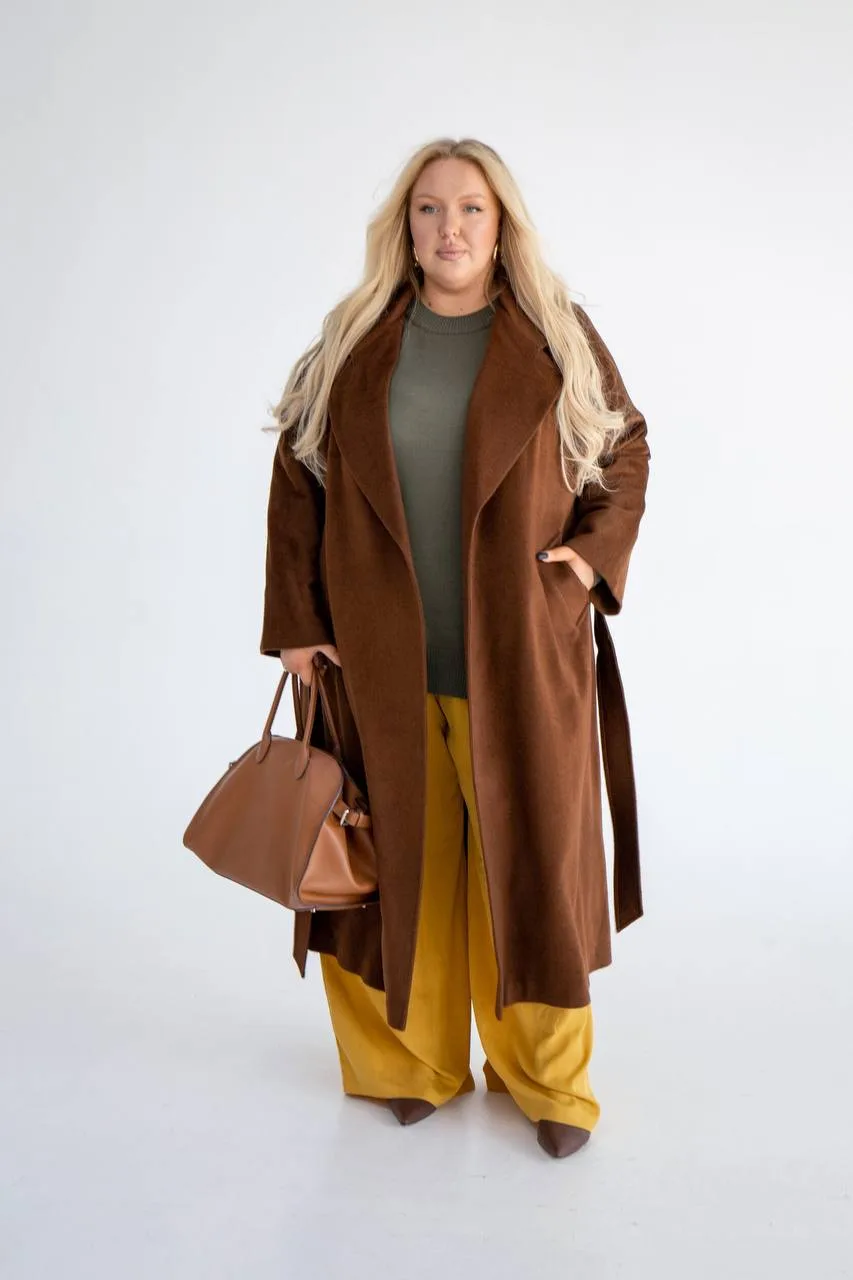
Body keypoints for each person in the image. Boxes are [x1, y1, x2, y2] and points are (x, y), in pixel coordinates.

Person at [260, 137, 650, 1159]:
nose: (450, 228)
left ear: (501, 222)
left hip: (518, 653)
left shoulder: (555, 333)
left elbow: (624, 445)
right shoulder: (351, 340)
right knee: (397, 870)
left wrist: (587, 559)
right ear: (405, 225)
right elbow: (296, 478)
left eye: (471, 208)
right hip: (373, 658)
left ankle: (545, 1079)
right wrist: (295, 620)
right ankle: (409, 1065)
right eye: (429, 208)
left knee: (529, 871)